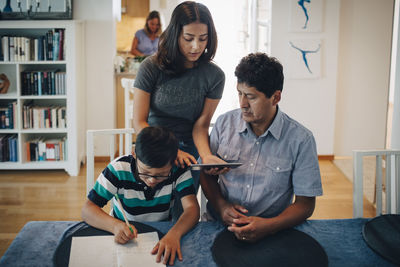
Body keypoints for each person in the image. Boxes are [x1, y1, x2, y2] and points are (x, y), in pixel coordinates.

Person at [200, 52, 323, 242]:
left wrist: (270, 226)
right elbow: (205, 174)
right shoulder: (224, 125)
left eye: (251, 97)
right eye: (239, 93)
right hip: (219, 226)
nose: (242, 104)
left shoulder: (301, 140)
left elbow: (305, 204)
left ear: (275, 98)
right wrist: (221, 206)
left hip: (274, 232)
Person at [133, 1, 226, 190]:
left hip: (190, 152)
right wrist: (172, 151)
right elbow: (139, 122)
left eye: (203, 39)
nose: (196, 47)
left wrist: (206, 155)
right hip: (154, 145)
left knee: (184, 210)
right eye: (189, 38)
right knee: (151, 210)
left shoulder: (215, 76)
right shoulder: (150, 67)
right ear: (176, 35)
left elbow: (201, 125)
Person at [81, 126, 200, 265]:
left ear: (173, 161)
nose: (152, 180)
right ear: (134, 154)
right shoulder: (118, 169)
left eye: (161, 175)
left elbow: (192, 209)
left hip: (162, 232)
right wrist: (114, 226)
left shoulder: (178, 170)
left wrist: (175, 234)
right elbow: (88, 209)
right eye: (145, 172)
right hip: (122, 232)